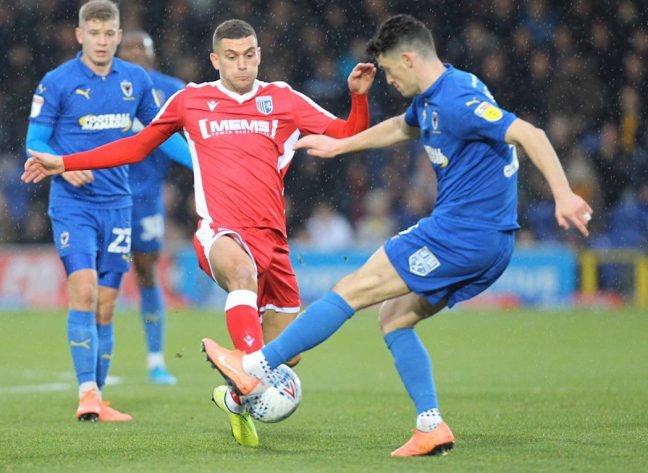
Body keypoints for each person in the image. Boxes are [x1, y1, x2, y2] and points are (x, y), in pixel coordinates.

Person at [200, 14, 593, 457]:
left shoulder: (457, 98)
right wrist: (341, 144)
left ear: (409, 58)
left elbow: (529, 132)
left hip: (458, 233)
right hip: (491, 243)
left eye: (388, 68)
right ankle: (431, 425)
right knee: (395, 318)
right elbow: (401, 128)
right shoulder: (434, 97)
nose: (387, 77)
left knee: (350, 290)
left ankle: (252, 365)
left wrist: (563, 195)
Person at [22, 19, 376, 447]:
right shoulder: (192, 100)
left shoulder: (282, 99)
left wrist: (358, 98)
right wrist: (67, 162)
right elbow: (137, 145)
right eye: (232, 57)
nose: (242, 65)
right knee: (241, 274)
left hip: (274, 242)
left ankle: (235, 395)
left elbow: (347, 132)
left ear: (259, 55)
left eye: (249, 55)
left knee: (288, 354)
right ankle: (244, 373)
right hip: (221, 233)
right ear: (215, 59)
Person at [24, 0, 191, 423]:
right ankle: (87, 395)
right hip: (73, 204)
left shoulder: (135, 81)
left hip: (119, 205)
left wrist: (203, 165)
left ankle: (98, 396)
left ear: (118, 36)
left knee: (108, 304)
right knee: (83, 291)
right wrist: (64, 167)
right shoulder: (56, 82)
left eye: (108, 34)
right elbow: (36, 142)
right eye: (93, 34)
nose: (101, 41)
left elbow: (157, 136)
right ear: (80, 36)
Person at [117, 30, 190, 386]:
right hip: (106, 196)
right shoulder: (103, 86)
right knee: (105, 277)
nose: (134, 53)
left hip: (146, 200)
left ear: (152, 54)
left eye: (141, 47)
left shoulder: (170, 88)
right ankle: (97, 363)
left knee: (146, 271)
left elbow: (189, 139)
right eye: (127, 48)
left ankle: (156, 360)